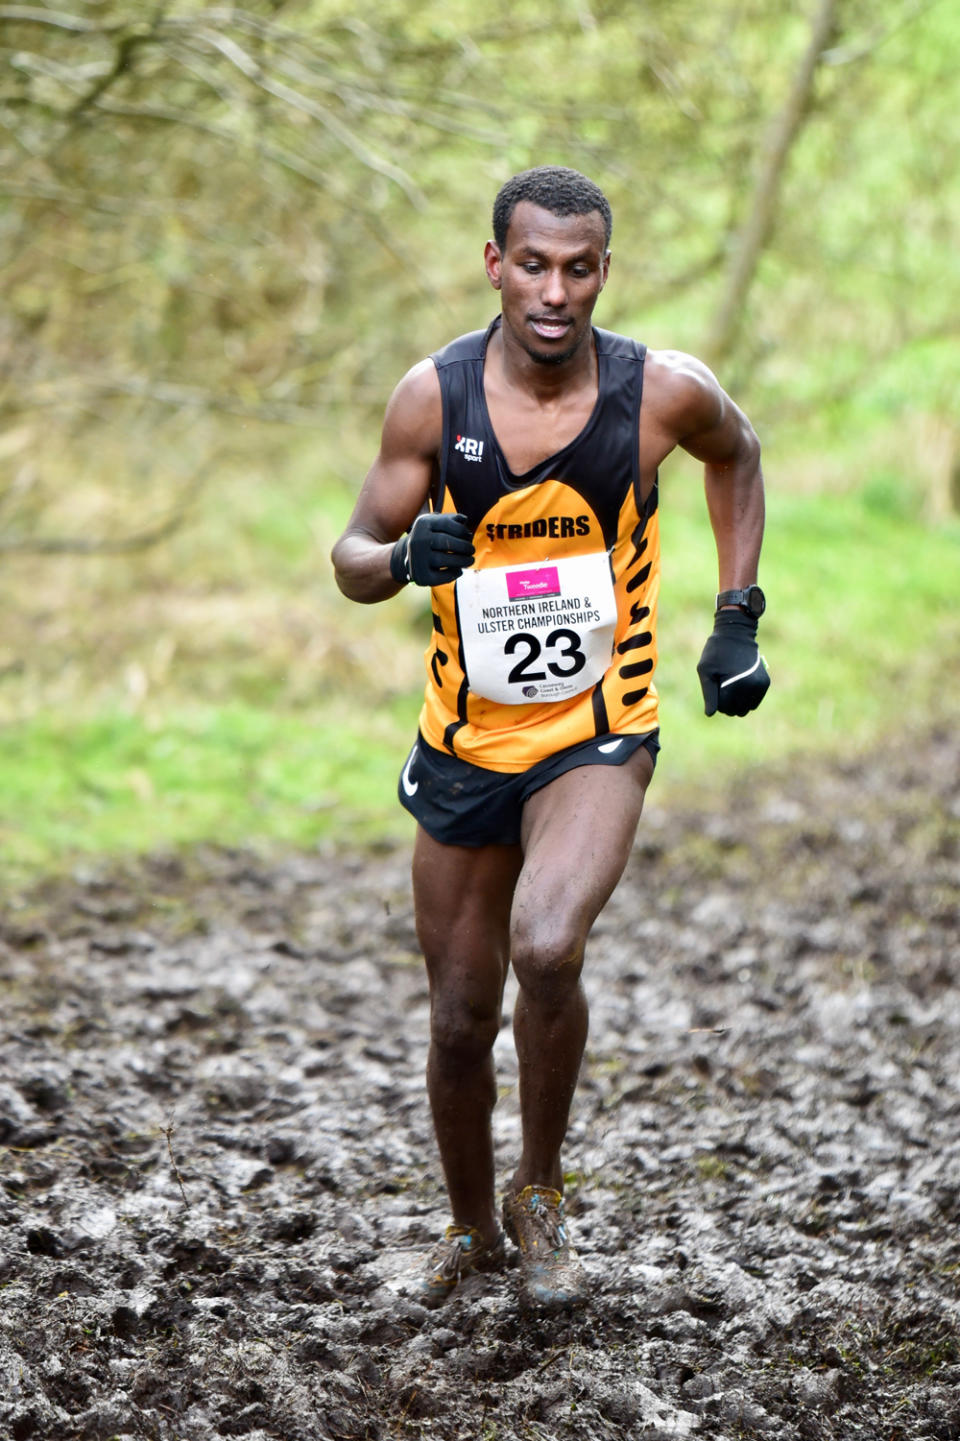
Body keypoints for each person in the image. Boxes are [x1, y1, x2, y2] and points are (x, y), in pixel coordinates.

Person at [331, 165, 769, 1311]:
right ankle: (471, 1228)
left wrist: (736, 620)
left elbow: (742, 453)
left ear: (604, 274)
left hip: (598, 732)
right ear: (495, 264)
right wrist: (400, 562)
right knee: (461, 1013)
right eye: (534, 263)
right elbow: (351, 556)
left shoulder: (661, 393)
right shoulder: (433, 399)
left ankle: (541, 1197)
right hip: (468, 741)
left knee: (549, 945)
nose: (555, 291)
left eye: (580, 269)